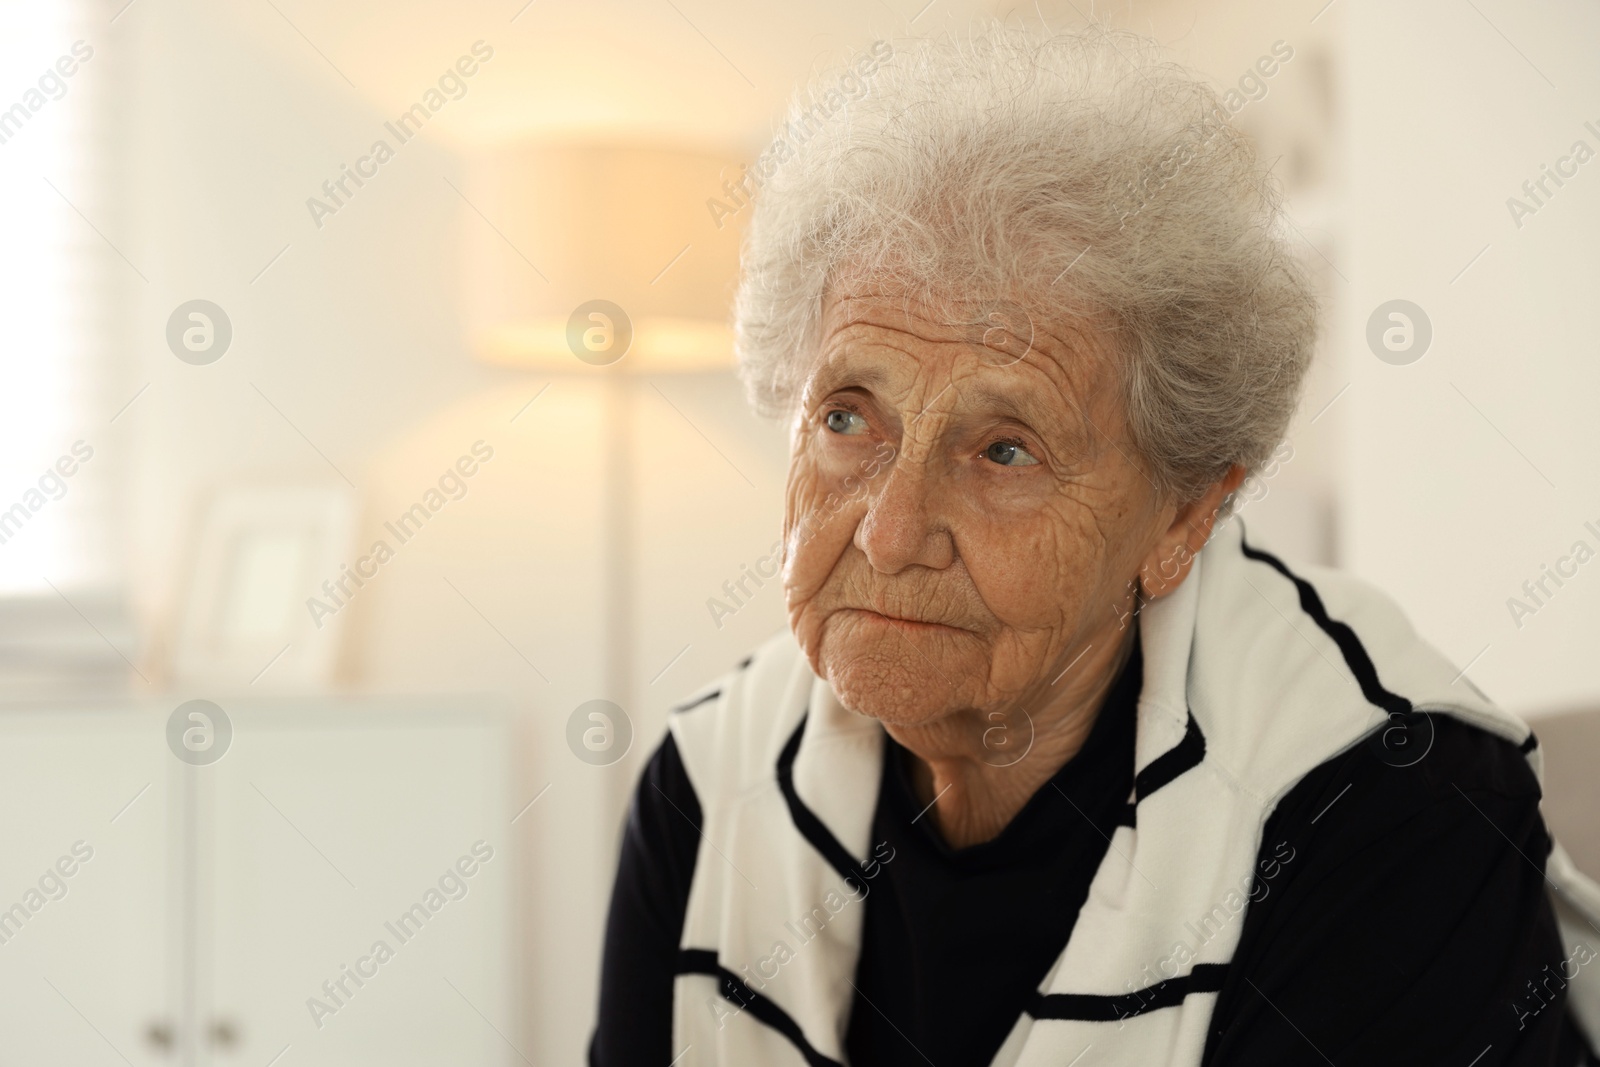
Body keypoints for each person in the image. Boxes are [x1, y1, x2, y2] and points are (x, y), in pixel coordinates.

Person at [592, 23, 1600, 1066]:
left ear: (1179, 520)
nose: (889, 533)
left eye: (1004, 449)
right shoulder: (706, 791)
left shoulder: (1393, 805)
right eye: (848, 416)